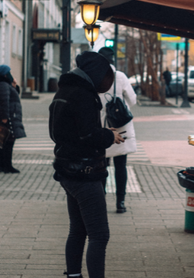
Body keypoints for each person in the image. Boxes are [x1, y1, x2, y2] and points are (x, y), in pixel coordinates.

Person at [49, 51, 124, 278]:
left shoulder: (64, 90)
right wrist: (109, 136)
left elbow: (65, 132)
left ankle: (73, 275)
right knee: (99, 235)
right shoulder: (84, 95)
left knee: (78, 230)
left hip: (67, 170)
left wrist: (101, 133)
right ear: (95, 75)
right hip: (85, 173)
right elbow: (88, 135)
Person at [98, 47, 137, 214]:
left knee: (101, 166)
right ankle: (120, 202)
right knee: (121, 166)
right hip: (121, 127)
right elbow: (133, 100)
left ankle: (101, 200)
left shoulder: (95, 77)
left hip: (102, 126)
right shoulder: (120, 77)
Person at [0, 65, 26, 173]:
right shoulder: (3, 85)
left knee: (7, 142)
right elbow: (4, 101)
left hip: (11, 117)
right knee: (7, 142)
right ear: (6, 74)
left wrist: (14, 86)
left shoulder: (6, 85)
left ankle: (6, 165)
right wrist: (4, 117)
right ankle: (6, 166)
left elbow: (12, 96)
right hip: (9, 118)